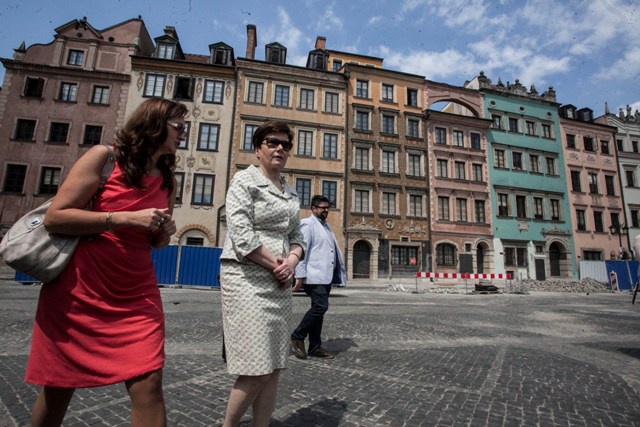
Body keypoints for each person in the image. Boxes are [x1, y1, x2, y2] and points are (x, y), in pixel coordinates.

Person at [25, 98, 186, 427]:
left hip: (136, 291)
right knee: (59, 386)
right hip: (81, 288)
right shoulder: (104, 158)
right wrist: (124, 218)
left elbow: (156, 241)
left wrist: (164, 232)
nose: (184, 133)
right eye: (179, 126)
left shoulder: (169, 180)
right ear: (155, 125)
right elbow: (56, 218)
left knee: (149, 382)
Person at [219, 121, 306, 427]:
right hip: (245, 277)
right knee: (256, 367)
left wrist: (293, 260)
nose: (280, 148)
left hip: (279, 281)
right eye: (272, 142)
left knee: (274, 366)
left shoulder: (292, 192)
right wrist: (279, 265)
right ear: (258, 149)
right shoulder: (244, 181)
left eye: (285, 144)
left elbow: (298, 235)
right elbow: (241, 235)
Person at [291, 195, 346, 360]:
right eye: (322, 208)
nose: (326, 210)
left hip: (324, 276)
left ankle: (315, 346)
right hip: (313, 275)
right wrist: (299, 276)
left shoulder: (326, 226)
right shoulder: (308, 225)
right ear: (313, 209)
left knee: (319, 310)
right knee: (320, 307)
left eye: (327, 207)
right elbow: (301, 251)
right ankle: (298, 335)